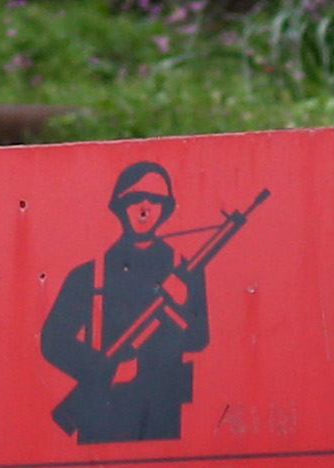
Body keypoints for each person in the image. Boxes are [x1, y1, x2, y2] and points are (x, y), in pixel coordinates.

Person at [40, 162, 210, 444]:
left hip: (162, 411)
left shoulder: (186, 271)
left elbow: (199, 339)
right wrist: (106, 368)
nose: (145, 207)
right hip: (103, 412)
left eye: (155, 199)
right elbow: (53, 341)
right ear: (119, 205)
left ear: (166, 208)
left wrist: (178, 311)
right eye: (135, 198)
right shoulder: (88, 275)